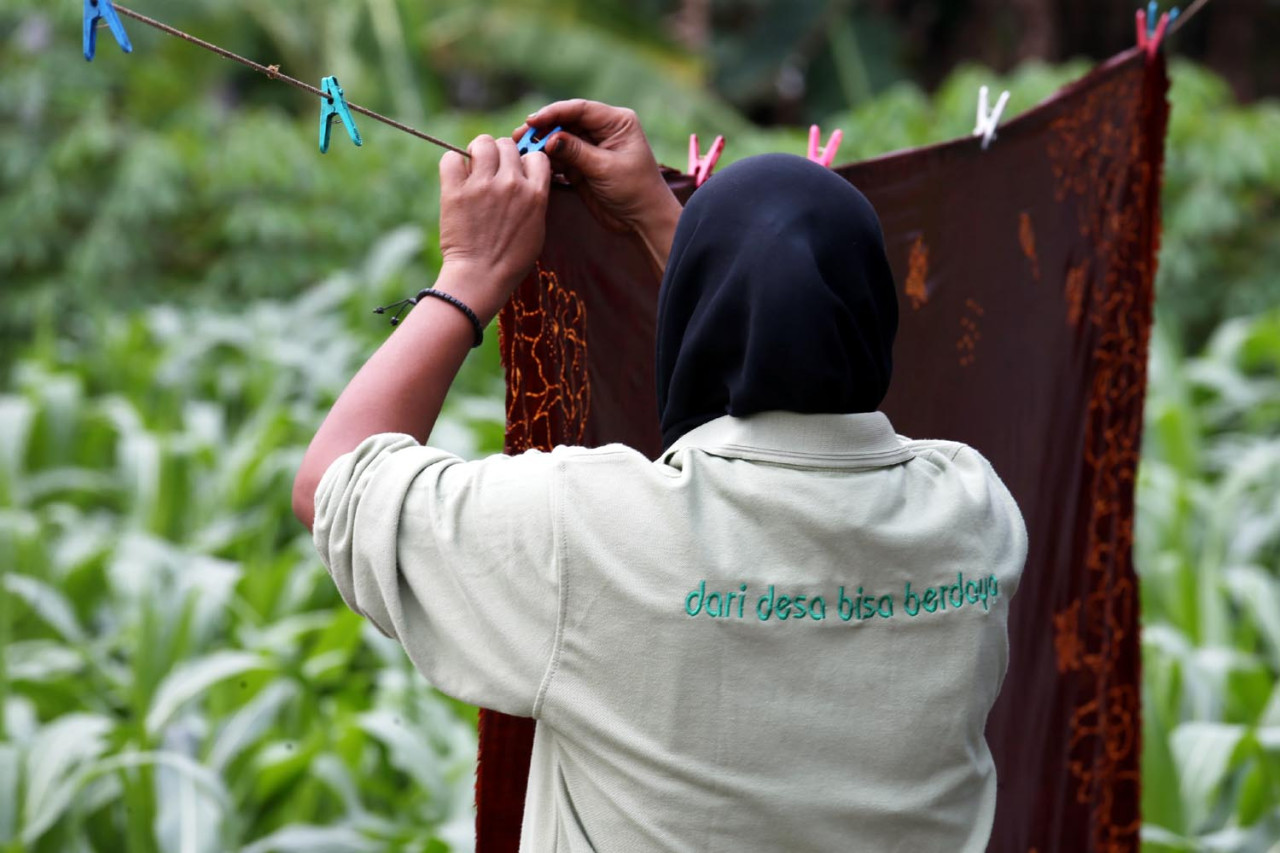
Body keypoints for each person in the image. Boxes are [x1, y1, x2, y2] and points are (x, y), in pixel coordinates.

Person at [292, 100, 1028, 852]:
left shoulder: (591, 536)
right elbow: (808, 374)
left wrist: (471, 276)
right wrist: (654, 212)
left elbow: (332, 486)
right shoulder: (976, 515)